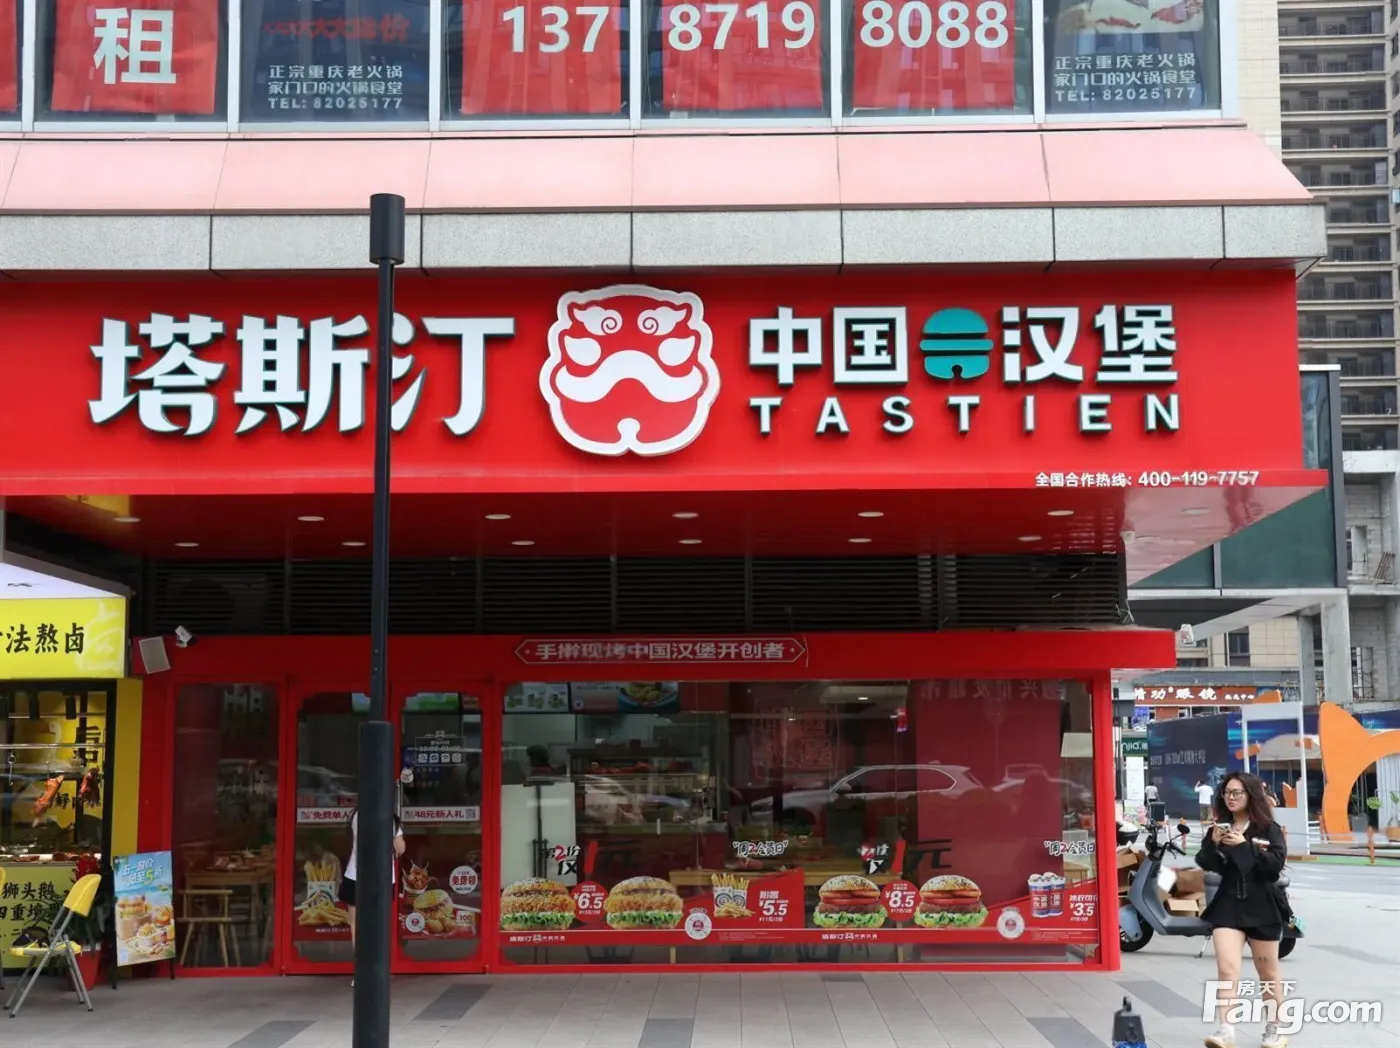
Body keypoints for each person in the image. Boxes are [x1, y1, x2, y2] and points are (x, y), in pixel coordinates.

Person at [1196, 772, 1290, 1048]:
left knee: (1268, 972)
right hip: (1229, 903)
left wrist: (1245, 846)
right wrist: (1213, 843)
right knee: (1226, 969)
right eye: (1227, 792)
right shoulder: (1220, 827)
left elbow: (1274, 866)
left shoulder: (1268, 828)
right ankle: (1225, 1030)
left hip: (1262, 905)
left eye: (1237, 792)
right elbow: (1207, 863)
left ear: (1250, 795)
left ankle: (1274, 1029)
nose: (1231, 797)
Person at [342, 804, 406, 987]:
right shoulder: (388, 818)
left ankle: (361, 973)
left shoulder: (356, 814)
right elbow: (400, 848)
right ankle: (378, 971)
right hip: (382, 879)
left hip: (354, 875)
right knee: (379, 925)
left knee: (356, 926)